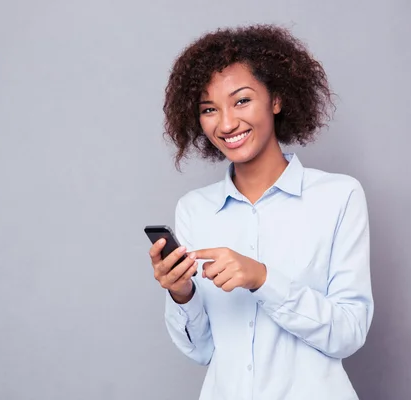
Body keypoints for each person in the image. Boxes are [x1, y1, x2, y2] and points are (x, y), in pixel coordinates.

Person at [148, 24, 374, 400]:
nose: (226, 123)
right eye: (209, 109)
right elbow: (201, 350)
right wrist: (182, 293)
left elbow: (348, 333)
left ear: (277, 100)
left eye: (241, 101)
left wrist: (263, 279)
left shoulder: (339, 196)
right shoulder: (195, 209)